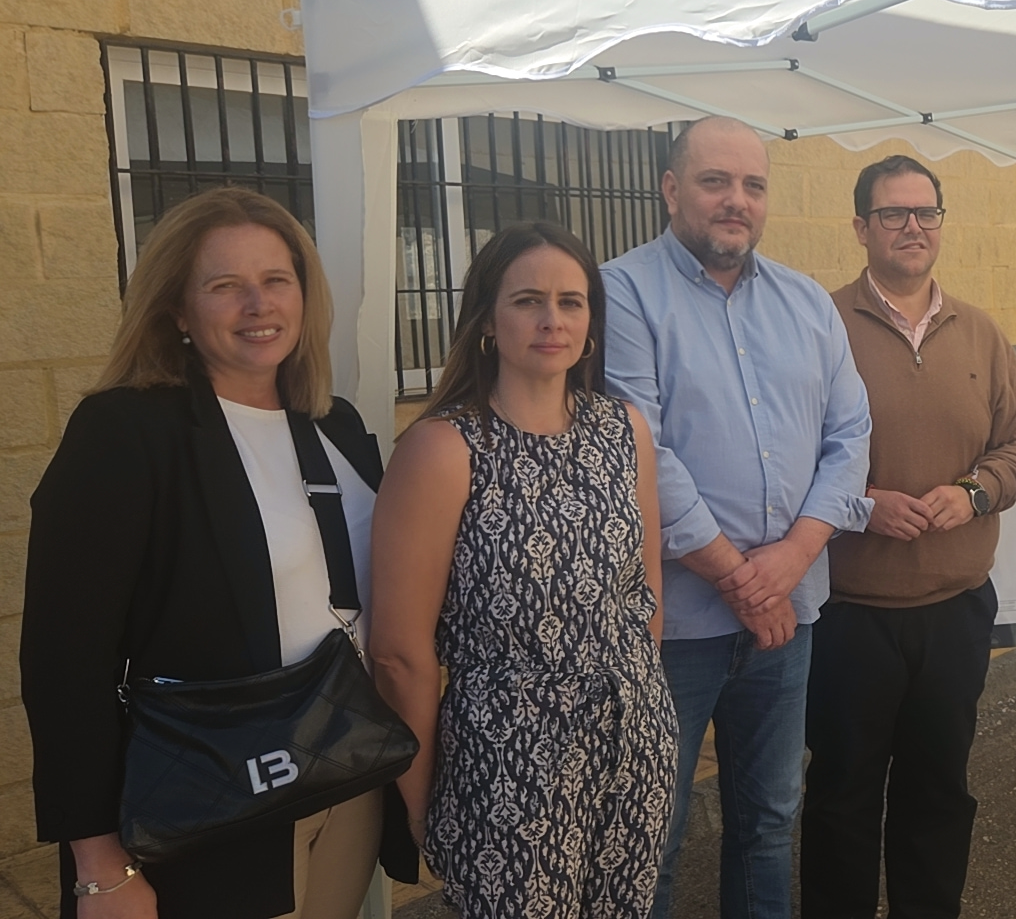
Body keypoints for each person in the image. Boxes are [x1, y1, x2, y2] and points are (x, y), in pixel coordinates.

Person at [21, 188, 416, 919]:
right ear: (177, 310)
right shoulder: (126, 433)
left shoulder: (334, 424)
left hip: (345, 772)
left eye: (276, 280)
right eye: (225, 286)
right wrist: (98, 864)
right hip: (215, 799)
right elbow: (64, 664)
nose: (258, 305)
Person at [601, 116, 874, 919]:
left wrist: (792, 558)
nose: (736, 201)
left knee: (769, 821)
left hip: (787, 619)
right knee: (651, 831)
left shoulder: (807, 302)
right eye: (715, 181)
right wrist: (741, 578)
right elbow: (638, 449)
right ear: (671, 189)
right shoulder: (620, 293)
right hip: (674, 625)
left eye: (753, 185)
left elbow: (851, 433)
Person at [368, 222, 676, 917]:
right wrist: (420, 799)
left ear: (591, 322)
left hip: (635, 746)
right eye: (528, 300)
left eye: (571, 302)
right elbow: (398, 653)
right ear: (486, 320)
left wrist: (642, 707)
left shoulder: (624, 430)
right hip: (508, 765)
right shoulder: (443, 449)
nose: (551, 320)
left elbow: (645, 592)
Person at [801, 155, 1016, 919]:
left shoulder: (981, 333)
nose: (913, 226)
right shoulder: (819, 328)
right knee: (841, 795)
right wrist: (860, 504)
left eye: (926, 212)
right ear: (860, 227)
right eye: (893, 213)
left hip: (955, 609)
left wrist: (974, 494)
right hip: (850, 613)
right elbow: (785, 459)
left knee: (939, 793)